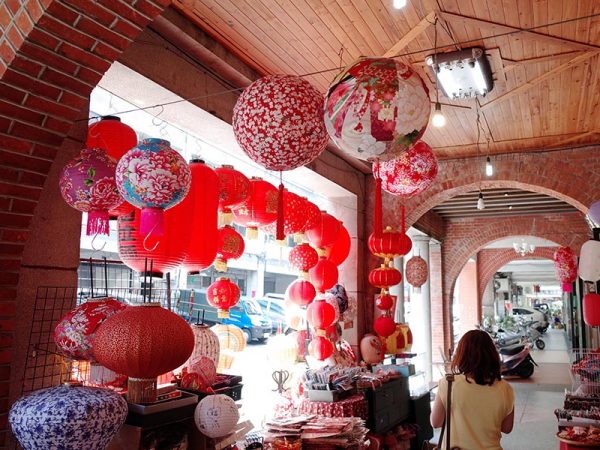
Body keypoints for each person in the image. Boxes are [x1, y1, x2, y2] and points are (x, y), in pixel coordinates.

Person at [430, 330, 515, 450]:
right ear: (491, 355)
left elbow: (436, 422)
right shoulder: (505, 388)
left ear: (462, 354)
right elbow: (506, 428)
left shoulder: (449, 383)